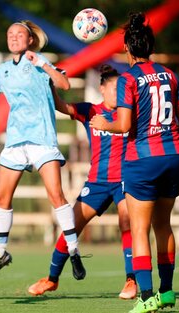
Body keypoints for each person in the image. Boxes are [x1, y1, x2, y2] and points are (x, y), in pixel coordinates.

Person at [0, 20, 84, 283]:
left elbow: (65, 85)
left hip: (42, 140)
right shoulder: (3, 71)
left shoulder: (40, 62)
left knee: (55, 195)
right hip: (15, 142)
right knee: (2, 198)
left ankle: (73, 249)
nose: (13, 38)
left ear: (30, 40)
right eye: (10, 34)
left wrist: (43, 64)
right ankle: (0, 254)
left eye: (19, 34)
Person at [90, 13, 179, 313]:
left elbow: (123, 125)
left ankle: (146, 297)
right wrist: (170, 146)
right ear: (151, 46)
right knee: (164, 225)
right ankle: (168, 291)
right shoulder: (171, 75)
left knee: (139, 229)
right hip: (174, 155)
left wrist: (102, 122)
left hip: (142, 159)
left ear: (127, 48)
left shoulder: (128, 79)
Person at [28, 65, 136, 300]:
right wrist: (49, 85)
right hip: (97, 183)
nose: (119, 93)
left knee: (127, 222)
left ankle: (131, 280)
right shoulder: (90, 111)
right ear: (102, 89)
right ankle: (52, 279)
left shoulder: (129, 114)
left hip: (125, 180)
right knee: (71, 228)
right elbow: (62, 106)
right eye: (115, 88)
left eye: (123, 89)